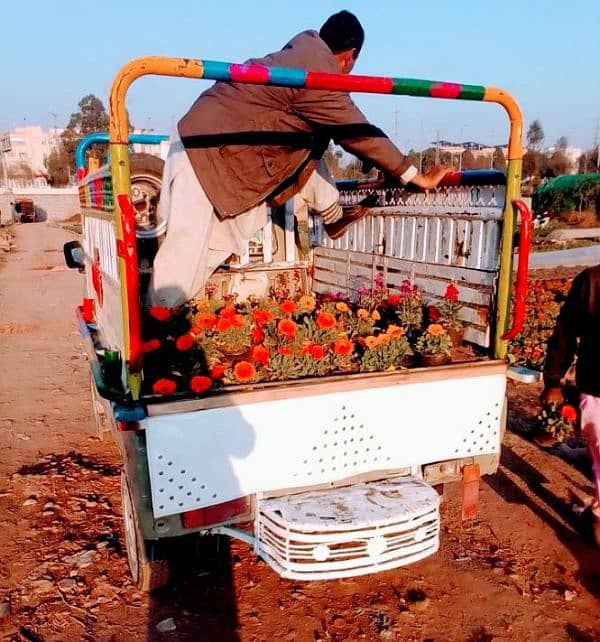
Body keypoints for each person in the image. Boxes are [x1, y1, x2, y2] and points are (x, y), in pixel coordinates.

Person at [148, 10, 448, 307]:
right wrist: (414, 175)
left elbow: (336, 128)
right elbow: (357, 131)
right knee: (186, 256)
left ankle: (331, 211)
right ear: (350, 56)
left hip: (213, 148)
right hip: (206, 154)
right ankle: (152, 337)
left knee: (204, 252)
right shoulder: (317, 74)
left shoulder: (301, 56)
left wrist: (387, 167)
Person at [541, 264, 600, 546]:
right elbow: (565, 334)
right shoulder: (591, 281)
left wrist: (553, 382)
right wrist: (553, 382)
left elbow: (564, 335)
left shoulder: (592, 280)